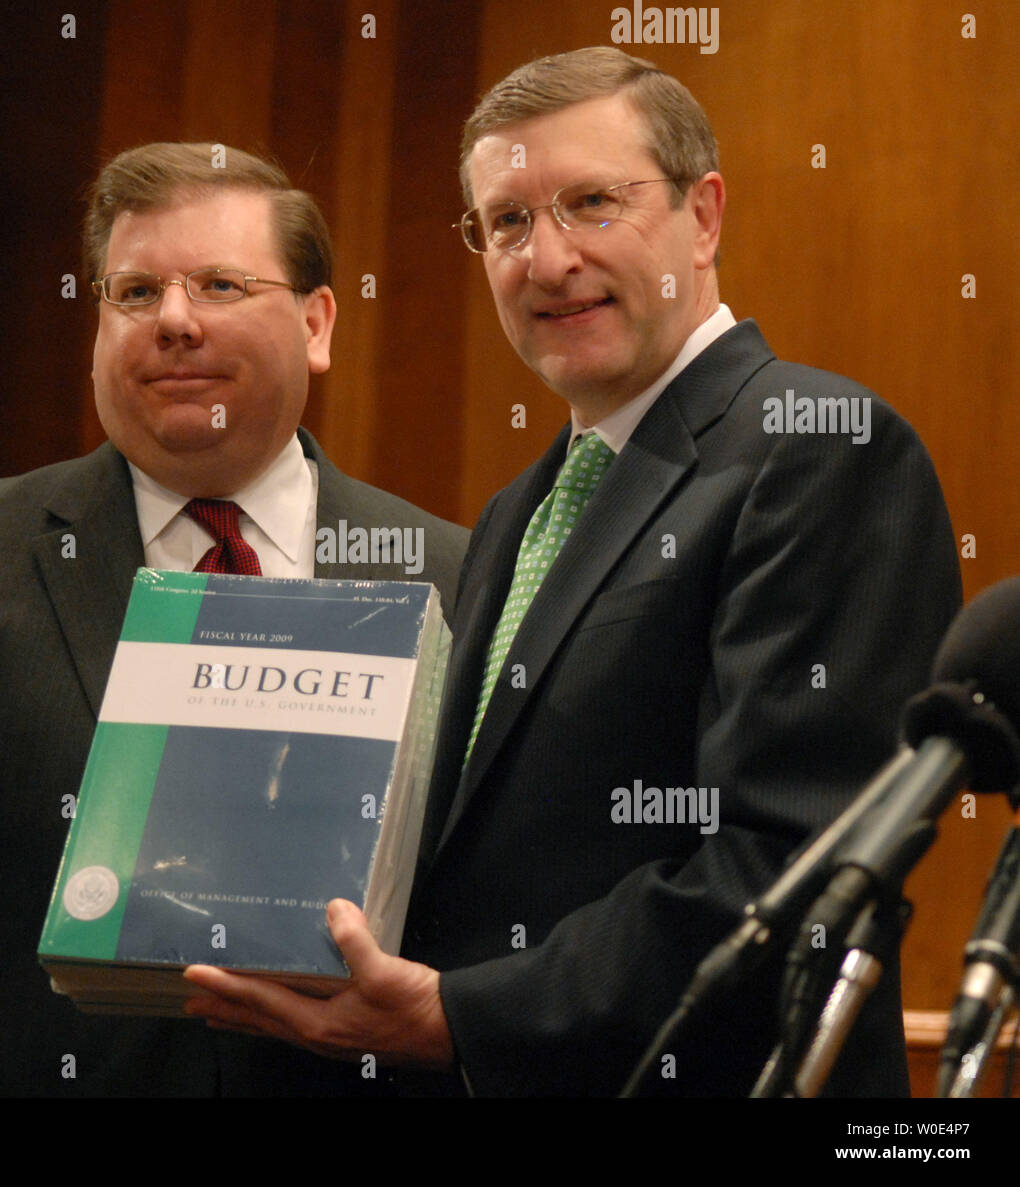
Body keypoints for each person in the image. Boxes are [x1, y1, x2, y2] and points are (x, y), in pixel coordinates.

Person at [182, 48, 962, 1096]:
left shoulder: (820, 447)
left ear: (704, 215)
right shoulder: (522, 507)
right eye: (506, 222)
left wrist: (462, 1012)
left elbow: (786, 871)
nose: (545, 260)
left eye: (592, 204)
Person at [0, 142, 468, 1096]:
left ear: (319, 322)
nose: (175, 322)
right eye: (135, 292)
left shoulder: (456, 577)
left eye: (221, 284)